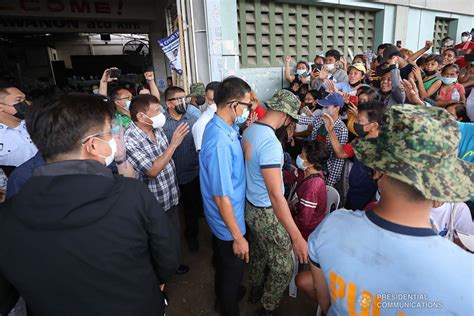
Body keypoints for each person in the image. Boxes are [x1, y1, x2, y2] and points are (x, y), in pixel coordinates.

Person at [0, 95, 180, 315]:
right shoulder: (130, 195)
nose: (114, 138)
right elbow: (168, 259)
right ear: (93, 145)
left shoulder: (8, 216)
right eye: (110, 133)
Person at [308, 104, 474, 315]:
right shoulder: (465, 275)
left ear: (376, 170)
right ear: (440, 187)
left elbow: (326, 304)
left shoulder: (331, 227)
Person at [242, 89, 308, 316]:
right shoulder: (270, 143)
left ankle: (255, 288)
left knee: (260, 250)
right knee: (283, 266)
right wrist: (296, 237)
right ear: (286, 115)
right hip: (266, 212)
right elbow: (275, 195)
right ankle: (268, 308)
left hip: (250, 205)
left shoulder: (251, 129)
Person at [199, 77, 251, 316]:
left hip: (228, 217)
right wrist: (238, 237)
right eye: (246, 105)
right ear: (233, 105)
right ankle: (228, 307)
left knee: (224, 265)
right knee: (231, 271)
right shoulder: (219, 140)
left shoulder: (224, 126)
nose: (247, 110)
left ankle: (223, 297)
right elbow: (221, 197)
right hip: (228, 222)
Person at [124, 94, 190, 275]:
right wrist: (174, 145)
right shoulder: (130, 139)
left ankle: (174, 263)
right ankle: (160, 278)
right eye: (154, 112)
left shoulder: (156, 129)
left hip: (170, 194)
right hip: (153, 203)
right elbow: (152, 171)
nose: (160, 114)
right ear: (140, 116)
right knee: (157, 240)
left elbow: (166, 160)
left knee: (173, 233)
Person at [323, 100, 385, 210]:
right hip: (352, 197)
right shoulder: (359, 141)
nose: (356, 124)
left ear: (374, 125)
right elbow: (341, 153)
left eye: (360, 121)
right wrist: (330, 130)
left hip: (368, 206)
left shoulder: (384, 151)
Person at [162, 86, 202, 252]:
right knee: (172, 213)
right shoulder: (161, 124)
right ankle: (172, 245)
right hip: (169, 177)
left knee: (191, 210)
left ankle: (192, 237)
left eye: (184, 98)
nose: (182, 102)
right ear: (168, 103)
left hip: (191, 174)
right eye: (178, 99)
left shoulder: (193, 120)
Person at [297, 93, 348, 187]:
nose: (323, 109)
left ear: (337, 108)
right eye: (323, 106)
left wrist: (330, 183)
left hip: (326, 168)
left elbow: (338, 160)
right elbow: (303, 119)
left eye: (326, 106)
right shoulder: (320, 119)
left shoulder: (341, 129)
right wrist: (287, 114)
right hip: (311, 161)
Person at [283, 141, 328, 240]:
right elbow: (286, 177)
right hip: (294, 214)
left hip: (305, 232)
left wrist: (286, 223)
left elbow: (303, 221)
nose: (299, 156)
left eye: (302, 155)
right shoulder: (303, 171)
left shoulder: (312, 188)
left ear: (311, 163)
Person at [0, 84, 37, 172]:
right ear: (1, 107)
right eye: (18, 100)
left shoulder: (36, 123)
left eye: (25, 99)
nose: (26, 103)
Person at [192, 81, 220, 151]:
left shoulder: (226, 119)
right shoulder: (201, 125)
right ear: (206, 98)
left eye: (219, 100)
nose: (216, 103)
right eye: (212, 100)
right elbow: (202, 154)